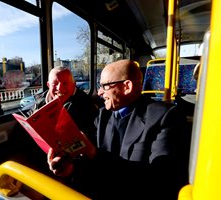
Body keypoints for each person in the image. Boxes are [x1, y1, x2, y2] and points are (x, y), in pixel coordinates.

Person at [47, 60, 191, 200]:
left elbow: (159, 179)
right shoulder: (102, 115)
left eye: (104, 86)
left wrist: (94, 154)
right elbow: (91, 165)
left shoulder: (165, 117)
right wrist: (71, 168)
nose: (100, 93)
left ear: (126, 87)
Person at [32, 66, 99, 141]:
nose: (60, 88)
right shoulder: (40, 101)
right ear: (48, 85)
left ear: (73, 84)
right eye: (55, 83)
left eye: (65, 83)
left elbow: (94, 131)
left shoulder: (86, 104)